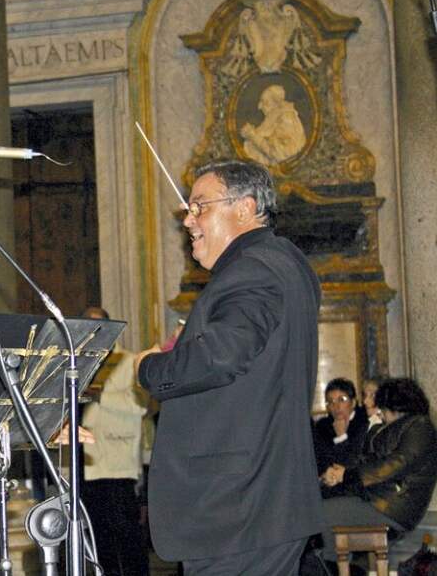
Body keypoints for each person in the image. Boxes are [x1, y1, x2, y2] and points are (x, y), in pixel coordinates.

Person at [133, 159, 323, 575]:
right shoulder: (287, 263)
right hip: (263, 506)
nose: (188, 220)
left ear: (244, 208)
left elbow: (220, 357)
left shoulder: (251, 270)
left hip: (236, 509)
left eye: (200, 207)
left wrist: (150, 367)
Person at [319, 378, 437, 561]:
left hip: (393, 507)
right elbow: (363, 458)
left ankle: (332, 566)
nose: (375, 408)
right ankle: (333, 564)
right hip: (376, 499)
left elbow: (396, 464)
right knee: (318, 503)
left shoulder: (420, 426)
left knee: (322, 512)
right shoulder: (384, 428)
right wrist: (337, 473)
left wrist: (347, 475)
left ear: (395, 406)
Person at [80, 306, 149, 576]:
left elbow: (139, 404)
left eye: (99, 327)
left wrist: (99, 395)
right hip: (86, 463)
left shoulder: (130, 361)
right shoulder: (78, 361)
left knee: (127, 537)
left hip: (118, 464)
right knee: (98, 538)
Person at [312, 378, 368, 498]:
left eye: (342, 400)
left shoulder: (364, 422)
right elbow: (319, 457)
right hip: (330, 486)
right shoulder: (323, 426)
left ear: (353, 402)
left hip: (356, 488)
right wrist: (326, 472)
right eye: (330, 401)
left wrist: (341, 437)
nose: (336, 406)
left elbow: (354, 461)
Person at [240, 84, 307, 166]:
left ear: (276, 104)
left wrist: (253, 136)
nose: (259, 106)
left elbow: (279, 154)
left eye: (265, 102)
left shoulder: (287, 119)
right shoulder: (273, 118)